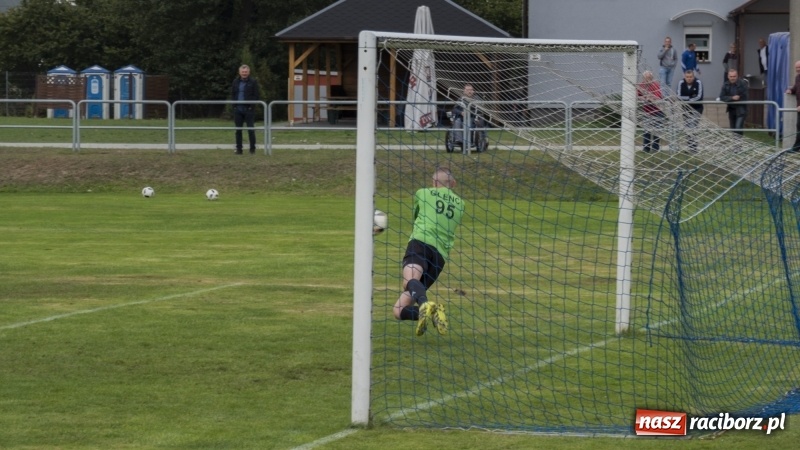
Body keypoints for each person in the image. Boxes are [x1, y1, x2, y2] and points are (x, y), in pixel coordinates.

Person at [393, 167, 465, 336]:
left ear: (433, 183)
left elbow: (417, 216)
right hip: (439, 258)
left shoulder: (423, 193)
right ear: (453, 184)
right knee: (398, 310)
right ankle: (432, 311)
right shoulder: (461, 204)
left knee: (409, 280)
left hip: (421, 243)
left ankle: (425, 303)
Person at [230, 64, 260, 155]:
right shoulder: (235, 81)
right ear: (239, 72)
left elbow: (256, 95)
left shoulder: (253, 81)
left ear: (249, 72)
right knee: (238, 130)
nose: (244, 73)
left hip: (248, 109)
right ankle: (239, 149)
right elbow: (232, 94)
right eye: (243, 72)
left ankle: (252, 149)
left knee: (251, 130)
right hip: (238, 109)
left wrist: (251, 105)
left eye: (246, 72)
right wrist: (234, 105)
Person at [451, 83, 487, 149]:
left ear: (473, 91)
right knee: (457, 122)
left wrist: (468, 112)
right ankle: (459, 141)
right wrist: (461, 112)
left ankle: (468, 141)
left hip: (473, 118)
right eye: (467, 90)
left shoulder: (477, 99)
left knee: (467, 122)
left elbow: (481, 110)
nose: (469, 91)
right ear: (464, 91)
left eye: (470, 90)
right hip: (462, 117)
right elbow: (454, 109)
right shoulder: (461, 99)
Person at [677, 69, 704, 152]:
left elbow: (699, 96)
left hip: (696, 108)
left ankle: (693, 147)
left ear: (693, 76)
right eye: (687, 77)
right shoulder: (681, 83)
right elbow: (678, 96)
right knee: (687, 128)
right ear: (684, 77)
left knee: (693, 127)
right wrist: (689, 98)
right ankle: (690, 146)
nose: (689, 78)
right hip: (685, 109)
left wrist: (687, 100)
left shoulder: (698, 82)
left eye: (691, 77)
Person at [637, 71, 664, 152]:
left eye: (648, 78)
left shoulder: (655, 85)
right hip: (647, 111)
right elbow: (638, 96)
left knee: (657, 130)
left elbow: (658, 97)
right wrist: (643, 98)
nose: (647, 80)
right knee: (646, 130)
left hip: (657, 111)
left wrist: (650, 98)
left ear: (651, 79)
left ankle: (655, 148)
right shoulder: (641, 85)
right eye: (645, 78)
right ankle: (646, 148)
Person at [719, 69, 748, 136]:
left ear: (737, 76)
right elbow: (722, 97)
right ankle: (736, 145)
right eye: (731, 76)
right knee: (733, 130)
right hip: (731, 110)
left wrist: (738, 98)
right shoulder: (725, 84)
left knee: (738, 128)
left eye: (734, 76)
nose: (732, 78)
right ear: (728, 76)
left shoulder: (742, 84)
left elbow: (745, 96)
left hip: (741, 110)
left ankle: (737, 145)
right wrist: (731, 98)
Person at [784, 60, 800, 153]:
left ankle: (796, 148)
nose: (798, 70)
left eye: (799, 68)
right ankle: (797, 147)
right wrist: (791, 90)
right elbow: (796, 88)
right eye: (796, 68)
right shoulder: (797, 78)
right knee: (798, 127)